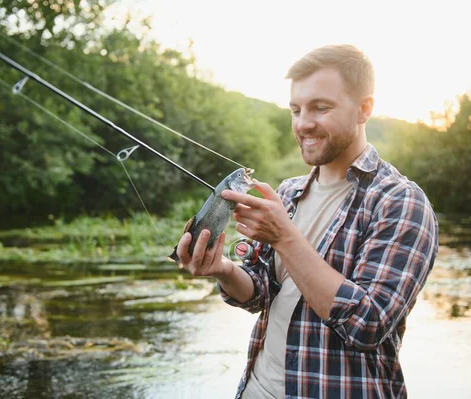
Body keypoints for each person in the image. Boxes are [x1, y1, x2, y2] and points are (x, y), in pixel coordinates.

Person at [175, 44, 439, 399]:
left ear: (364, 109)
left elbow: (368, 324)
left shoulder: (400, 201)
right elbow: (261, 292)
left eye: (320, 107)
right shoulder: (286, 192)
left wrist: (285, 237)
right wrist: (222, 269)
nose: (303, 123)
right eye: (295, 110)